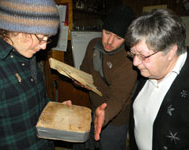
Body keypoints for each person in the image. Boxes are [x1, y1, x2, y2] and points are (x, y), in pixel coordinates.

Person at [0, 0, 71, 150]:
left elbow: (33, 102)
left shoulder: (29, 57)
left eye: (48, 38)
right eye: (41, 37)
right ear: (16, 28)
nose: (44, 46)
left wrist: (54, 109)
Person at [73, 6, 137, 150]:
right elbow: (84, 71)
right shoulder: (92, 45)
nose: (109, 42)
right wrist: (79, 80)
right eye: (107, 33)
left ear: (126, 39)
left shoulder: (129, 59)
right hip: (92, 110)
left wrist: (104, 115)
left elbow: (118, 98)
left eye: (118, 38)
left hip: (115, 119)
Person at [124, 8, 189, 149]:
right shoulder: (151, 69)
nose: (135, 62)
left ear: (170, 52)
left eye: (143, 55)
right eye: (133, 54)